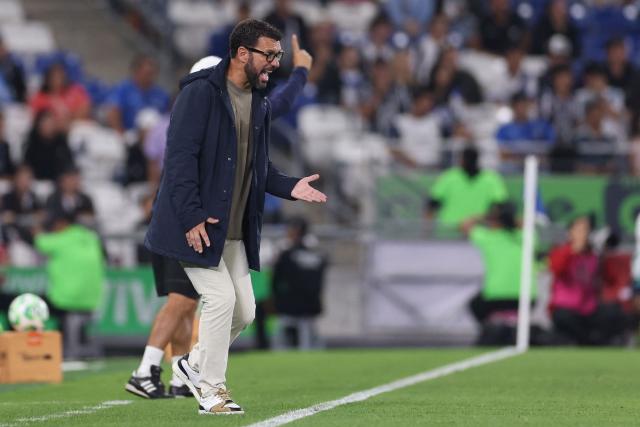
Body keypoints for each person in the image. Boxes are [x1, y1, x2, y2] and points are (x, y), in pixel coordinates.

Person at [144, 20, 325, 415]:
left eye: (278, 55)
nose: (274, 63)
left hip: (234, 229)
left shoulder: (257, 99)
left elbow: (259, 168)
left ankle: (192, 365)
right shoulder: (199, 94)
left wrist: (290, 186)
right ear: (242, 53)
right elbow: (178, 163)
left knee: (246, 311)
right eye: (270, 55)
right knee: (222, 300)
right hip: (194, 226)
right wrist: (192, 217)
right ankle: (211, 391)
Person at [34, 210, 106, 358]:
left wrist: (38, 227)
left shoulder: (62, 239)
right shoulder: (91, 238)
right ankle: (74, 344)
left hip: (65, 300)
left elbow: (39, 241)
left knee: (29, 306)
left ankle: (31, 350)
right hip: (91, 302)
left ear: (62, 224)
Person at [461, 203, 536, 344]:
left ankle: (491, 330)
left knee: (475, 306)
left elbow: (465, 225)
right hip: (527, 297)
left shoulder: (489, 238)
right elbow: (525, 224)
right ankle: (504, 331)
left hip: (495, 297)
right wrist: (512, 220)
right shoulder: (526, 237)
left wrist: (484, 217)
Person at [271, 217, 328, 349]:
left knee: (285, 332)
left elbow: (276, 280)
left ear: (296, 231)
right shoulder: (318, 254)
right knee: (307, 332)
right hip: (311, 304)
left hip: (290, 305)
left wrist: (275, 299)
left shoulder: (286, 255)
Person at [426, 146, 507, 229]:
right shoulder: (491, 179)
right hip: (468, 229)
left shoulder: (449, 177)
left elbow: (431, 205)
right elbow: (432, 203)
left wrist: (426, 231)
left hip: (462, 230)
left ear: (461, 160)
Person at [105, 55, 169, 133]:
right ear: (136, 71)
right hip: (128, 135)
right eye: (147, 73)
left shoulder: (161, 94)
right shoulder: (123, 89)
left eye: (153, 73)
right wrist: (120, 135)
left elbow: (167, 117)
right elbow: (113, 112)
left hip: (154, 136)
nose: (150, 77)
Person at [23, 110, 74, 181]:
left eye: (50, 123)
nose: (48, 126)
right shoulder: (32, 143)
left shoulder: (61, 142)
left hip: (58, 183)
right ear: (38, 125)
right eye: (45, 123)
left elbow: (68, 163)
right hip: (35, 182)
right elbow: (27, 166)